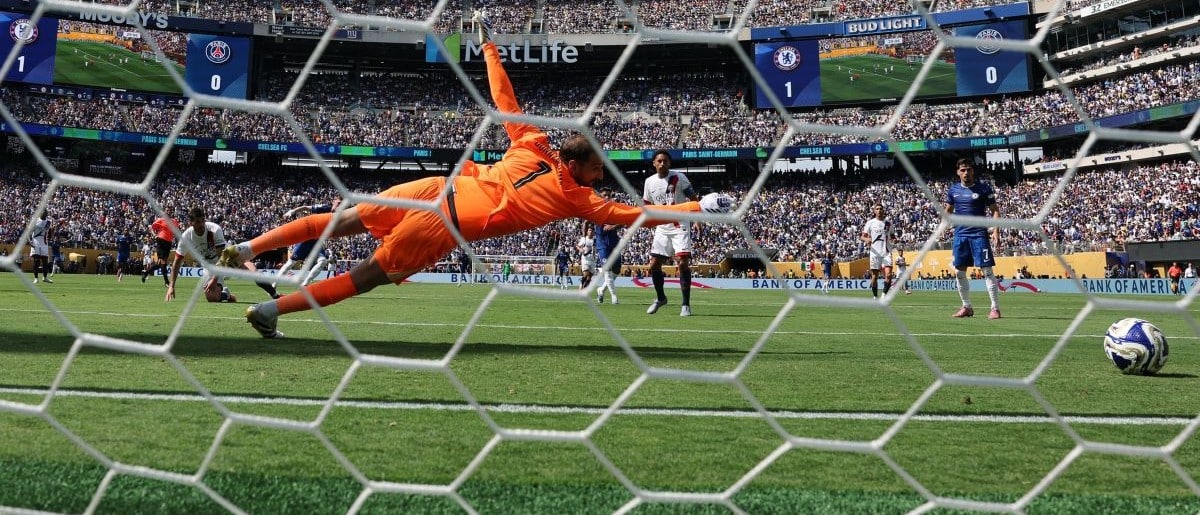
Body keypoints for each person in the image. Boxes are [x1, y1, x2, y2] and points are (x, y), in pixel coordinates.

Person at [220, 30, 732, 338]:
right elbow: (638, 215)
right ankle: (269, 309)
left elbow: (504, 99)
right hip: (444, 224)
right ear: (578, 166)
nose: (603, 176)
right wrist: (699, 208)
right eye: (598, 169)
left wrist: (488, 47)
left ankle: (248, 247)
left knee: (340, 221)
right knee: (363, 277)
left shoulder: (533, 141)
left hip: (433, 188)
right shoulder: (575, 197)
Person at [166, 207, 281, 303]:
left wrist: (214, 280)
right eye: (197, 222)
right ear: (191, 223)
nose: (200, 224)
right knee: (211, 297)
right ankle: (227, 295)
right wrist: (171, 286)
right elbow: (177, 261)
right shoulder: (186, 237)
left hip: (229, 258)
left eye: (202, 221)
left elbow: (222, 257)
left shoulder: (214, 229)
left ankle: (276, 296)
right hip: (210, 266)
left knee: (254, 274)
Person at [643, 150, 702, 317]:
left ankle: (685, 305)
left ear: (670, 163)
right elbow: (646, 205)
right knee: (654, 264)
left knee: (682, 263)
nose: (662, 163)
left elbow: (693, 199)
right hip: (662, 226)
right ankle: (661, 298)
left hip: (679, 224)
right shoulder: (649, 182)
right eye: (659, 161)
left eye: (665, 161)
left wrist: (697, 219)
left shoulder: (679, 177)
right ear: (654, 163)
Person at [945, 158, 1001, 319]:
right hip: (961, 235)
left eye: (969, 169)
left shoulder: (983, 188)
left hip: (979, 235)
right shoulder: (953, 190)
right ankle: (966, 307)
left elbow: (995, 211)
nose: (966, 173)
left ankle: (995, 308)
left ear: (973, 171)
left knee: (987, 271)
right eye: (963, 170)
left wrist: (996, 231)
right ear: (958, 172)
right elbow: (947, 210)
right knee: (959, 272)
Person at [272, 200, 340, 289]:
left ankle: (305, 284)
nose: (339, 206)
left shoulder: (338, 217)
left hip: (316, 242)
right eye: (339, 203)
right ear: (334, 201)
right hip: (307, 238)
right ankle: (274, 284)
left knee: (322, 261)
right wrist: (292, 211)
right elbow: (305, 208)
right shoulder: (325, 208)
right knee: (290, 263)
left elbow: (334, 236)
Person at [860, 204, 892, 300]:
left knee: (889, 274)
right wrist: (866, 240)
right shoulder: (870, 223)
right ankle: (875, 296)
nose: (879, 210)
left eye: (881, 209)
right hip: (875, 253)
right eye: (877, 209)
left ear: (883, 210)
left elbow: (892, 234)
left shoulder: (888, 223)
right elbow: (862, 236)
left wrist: (894, 239)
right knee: (875, 276)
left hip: (886, 252)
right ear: (874, 211)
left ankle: (883, 296)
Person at [143, 207, 178, 286]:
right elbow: (152, 227)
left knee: (160, 264)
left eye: (170, 210)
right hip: (161, 240)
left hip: (169, 242)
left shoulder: (174, 221)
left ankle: (146, 273)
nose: (168, 212)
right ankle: (166, 282)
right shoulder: (160, 220)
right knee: (163, 262)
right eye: (167, 210)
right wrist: (154, 235)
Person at [594, 222, 623, 304]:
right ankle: (614, 296)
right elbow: (586, 221)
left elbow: (623, 223)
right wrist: (584, 237)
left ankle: (601, 290)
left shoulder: (614, 214)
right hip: (602, 245)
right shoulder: (598, 215)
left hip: (614, 244)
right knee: (607, 269)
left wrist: (614, 226)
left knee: (617, 270)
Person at [29, 211, 53, 284]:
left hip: (44, 242)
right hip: (35, 241)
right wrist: (30, 241)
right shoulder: (35, 220)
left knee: (45, 261)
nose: (44, 214)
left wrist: (50, 236)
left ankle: (45, 277)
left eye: (45, 213)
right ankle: (36, 278)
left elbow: (50, 232)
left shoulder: (49, 222)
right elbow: (29, 231)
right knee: (36, 261)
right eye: (43, 213)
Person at [577, 225, 596, 290]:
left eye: (592, 230)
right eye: (589, 230)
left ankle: (584, 289)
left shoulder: (595, 240)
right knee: (586, 274)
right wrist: (580, 249)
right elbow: (577, 246)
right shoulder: (584, 239)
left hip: (592, 259)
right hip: (585, 258)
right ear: (587, 232)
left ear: (594, 232)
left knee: (589, 277)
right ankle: (581, 284)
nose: (590, 232)